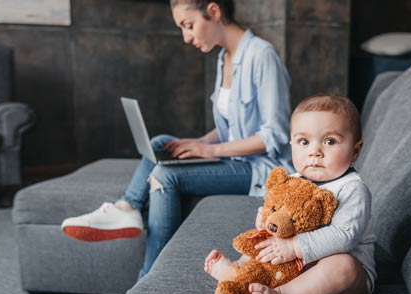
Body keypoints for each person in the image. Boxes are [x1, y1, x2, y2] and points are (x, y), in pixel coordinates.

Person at [61, 0, 294, 279]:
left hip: (259, 168)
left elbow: (275, 135)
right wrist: (196, 144)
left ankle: (147, 281)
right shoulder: (224, 58)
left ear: (214, 11)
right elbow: (233, 127)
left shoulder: (262, 55)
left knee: (166, 175)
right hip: (233, 157)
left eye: (189, 25)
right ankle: (127, 207)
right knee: (162, 144)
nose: (186, 37)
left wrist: (210, 150)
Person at [204, 94, 377, 294]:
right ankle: (238, 273)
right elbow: (278, 216)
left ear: (355, 151)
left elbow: (344, 236)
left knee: (343, 266)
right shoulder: (294, 180)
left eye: (330, 141)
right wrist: (265, 222)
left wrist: (294, 246)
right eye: (304, 141)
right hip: (291, 265)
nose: (315, 152)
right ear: (292, 145)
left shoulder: (352, 189)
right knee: (265, 240)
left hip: (341, 272)